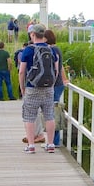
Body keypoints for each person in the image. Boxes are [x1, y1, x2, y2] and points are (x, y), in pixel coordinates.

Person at [19, 23, 60, 153]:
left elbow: (21, 71)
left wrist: (22, 88)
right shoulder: (51, 49)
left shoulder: (29, 50)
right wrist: (51, 84)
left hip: (32, 87)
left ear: (32, 34)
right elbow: (56, 70)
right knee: (49, 115)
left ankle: (31, 145)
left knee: (29, 116)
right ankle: (51, 144)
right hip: (48, 88)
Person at [44, 29, 70, 147]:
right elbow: (61, 67)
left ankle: (54, 141)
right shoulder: (57, 49)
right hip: (59, 84)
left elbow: (55, 68)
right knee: (54, 110)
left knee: (52, 112)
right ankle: (54, 140)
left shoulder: (51, 50)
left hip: (54, 84)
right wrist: (64, 79)